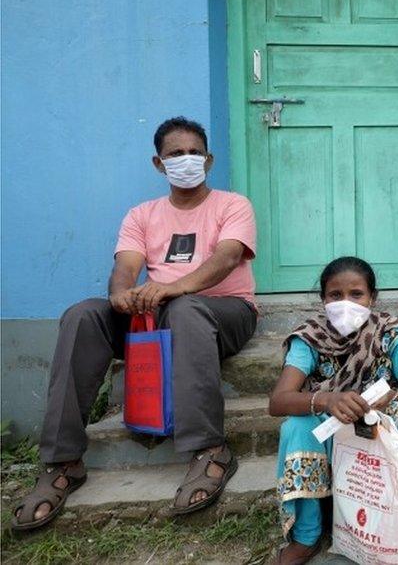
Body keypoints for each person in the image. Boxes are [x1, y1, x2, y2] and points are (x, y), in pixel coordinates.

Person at [11, 117, 258, 531]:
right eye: (175, 154)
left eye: (195, 152)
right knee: (82, 315)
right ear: (159, 164)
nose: (187, 160)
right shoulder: (142, 215)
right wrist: (123, 293)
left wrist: (169, 288)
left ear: (209, 160)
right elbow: (125, 266)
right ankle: (63, 459)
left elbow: (227, 258)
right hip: (158, 314)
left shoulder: (232, 205)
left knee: (185, 308)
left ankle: (210, 449)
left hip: (225, 311)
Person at [268, 257, 398, 565]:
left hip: (378, 428)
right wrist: (327, 400)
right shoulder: (310, 337)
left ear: (372, 297)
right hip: (331, 428)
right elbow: (278, 401)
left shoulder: (392, 334)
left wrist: (390, 397)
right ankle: (307, 536)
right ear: (323, 299)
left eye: (356, 294)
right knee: (296, 426)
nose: (345, 303)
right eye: (335, 295)